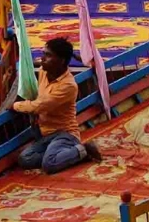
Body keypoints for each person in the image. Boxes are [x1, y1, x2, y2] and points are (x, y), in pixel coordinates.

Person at [9, 37, 101, 174]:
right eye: (44, 54)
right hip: (45, 133)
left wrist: (15, 105)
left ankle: (82, 150)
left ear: (61, 61)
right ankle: (66, 155)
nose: (43, 58)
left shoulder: (68, 86)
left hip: (64, 133)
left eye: (48, 55)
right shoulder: (43, 72)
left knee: (49, 164)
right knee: (24, 159)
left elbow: (39, 106)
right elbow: (38, 97)